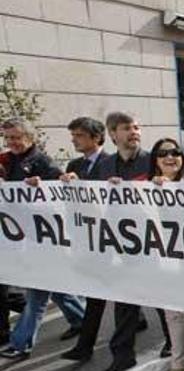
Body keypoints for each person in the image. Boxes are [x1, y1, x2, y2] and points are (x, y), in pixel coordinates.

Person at [91, 112, 172, 371]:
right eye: (127, 128)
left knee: (163, 298)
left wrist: (164, 184)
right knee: (125, 301)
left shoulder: (155, 161)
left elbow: (179, 195)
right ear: (113, 134)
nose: (134, 132)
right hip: (122, 245)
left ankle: (174, 341)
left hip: (155, 243)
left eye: (137, 127)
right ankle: (122, 356)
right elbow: (89, 200)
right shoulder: (104, 167)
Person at [0, 118, 85, 361]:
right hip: (24, 238)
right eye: (8, 138)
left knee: (36, 293)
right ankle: (83, 319)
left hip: (45, 239)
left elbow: (62, 188)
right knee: (55, 288)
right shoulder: (8, 161)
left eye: (16, 137)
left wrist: (44, 185)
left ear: (29, 138)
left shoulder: (41, 162)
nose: (12, 142)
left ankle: (20, 343)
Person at [146, 137, 184, 371]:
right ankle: (178, 366)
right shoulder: (142, 190)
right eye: (163, 153)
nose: (170, 157)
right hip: (163, 261)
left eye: (175, 152)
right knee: (173, 313)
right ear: (155, 160)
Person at [58, 116, 110, 347]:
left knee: (123, 288)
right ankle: (84, 345)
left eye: (78, 135)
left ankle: (85, 345)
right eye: (73, 136)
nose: (74, 141)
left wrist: (84, 185)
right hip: (88, 237)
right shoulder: (73, 166)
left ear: (96, 137)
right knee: (96, 291)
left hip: (110, 237)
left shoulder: (111, 163)